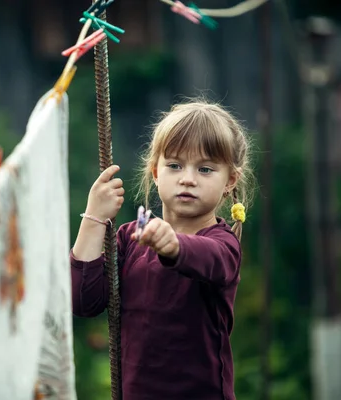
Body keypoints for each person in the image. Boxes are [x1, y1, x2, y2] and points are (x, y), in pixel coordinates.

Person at [70, 98, 254, 400]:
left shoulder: (224, 244)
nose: (188, 179)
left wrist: (172, 245)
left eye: (205, 169)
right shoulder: (130, 240)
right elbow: (82, 300)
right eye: (174, 165)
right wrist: (93, 218)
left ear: (229, 181)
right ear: (156, 173)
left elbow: (208, 258)